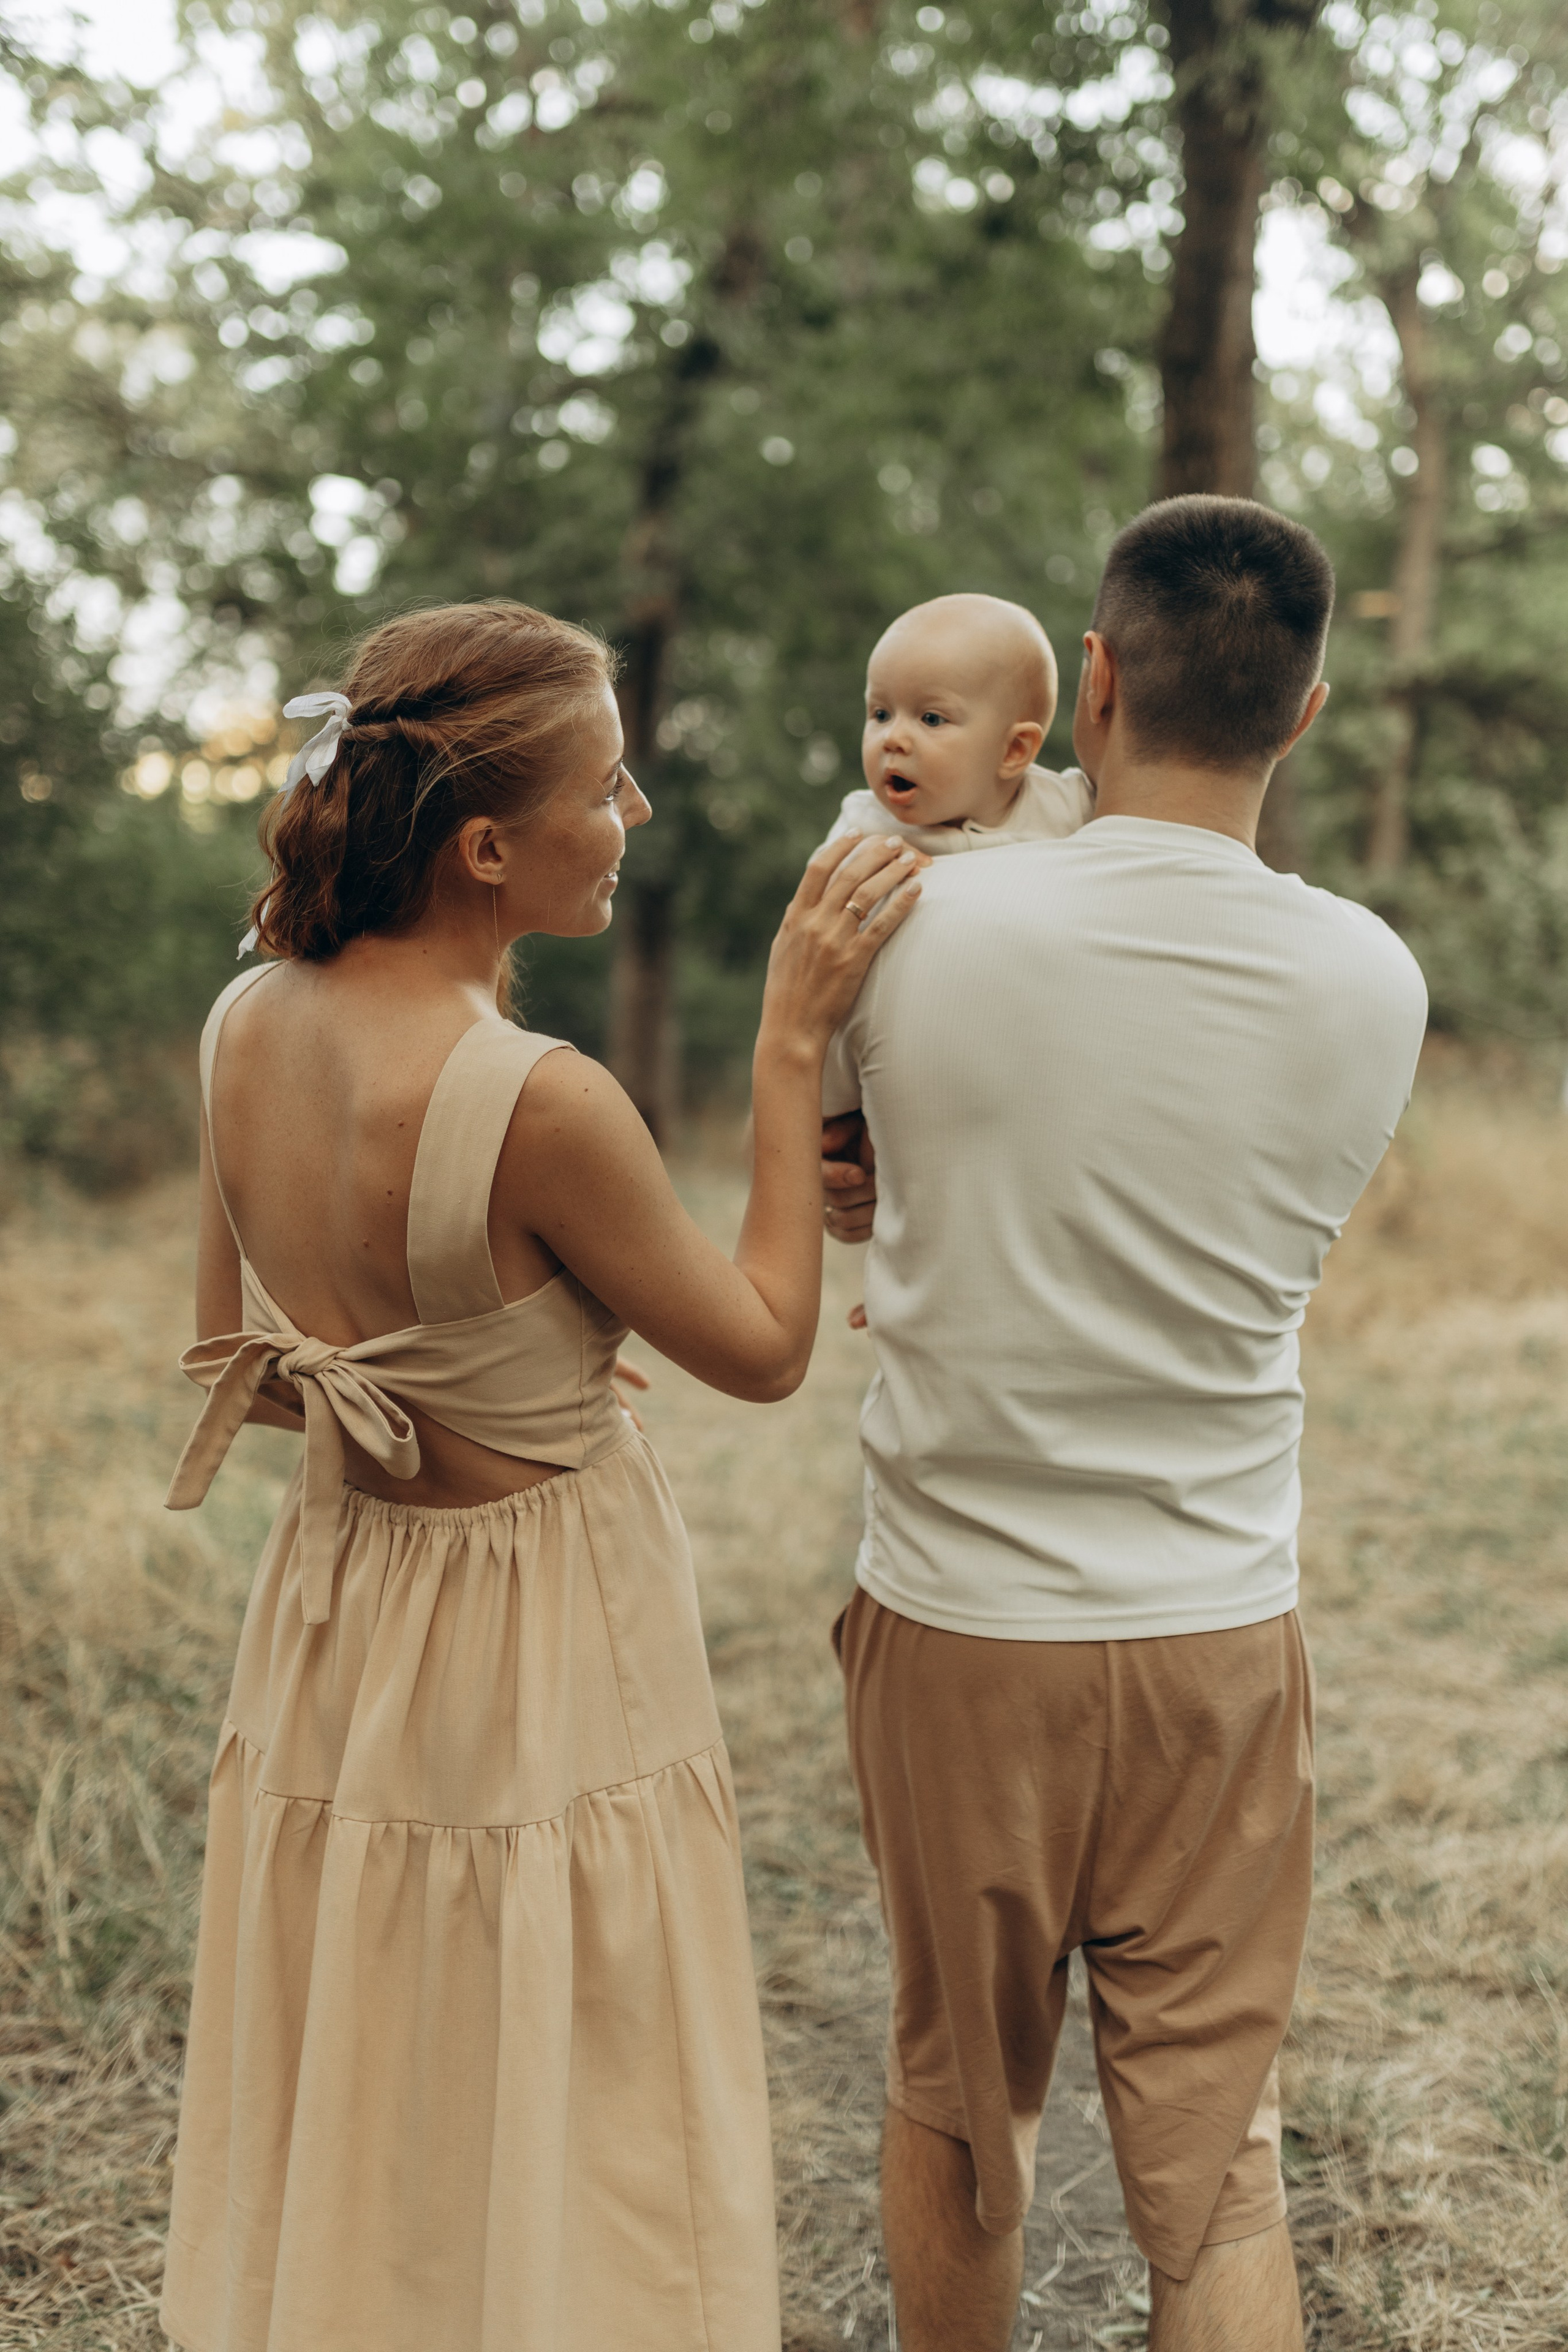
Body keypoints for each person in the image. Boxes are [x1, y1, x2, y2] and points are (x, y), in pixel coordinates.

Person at [157, 600, 923, 2352]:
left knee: (364, 1995)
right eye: (611, 781)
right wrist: (793, 1041)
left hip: (342, 1602)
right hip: (538, 1612)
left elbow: (241, 1368)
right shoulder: (539, 1099)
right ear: (491, 848)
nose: (637, 812)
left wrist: (457, 1374)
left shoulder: (241, 1024)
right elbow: (764, 1348)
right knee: (574, 2021)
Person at [818, 497, 1430, 2352]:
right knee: (1216, 2165)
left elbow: (858, 1173)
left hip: (957, 1623)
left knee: (956, 2104)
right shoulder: (1372, 982)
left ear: (1082, 686)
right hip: (1216, 1632)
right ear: (1304, 712)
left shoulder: (907, 919)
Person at [823, 590, 1093, 859]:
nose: (893, 739)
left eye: (931, 719)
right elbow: (819, 897)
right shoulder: (859, 826)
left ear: (1013, 750)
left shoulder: (1068, 809)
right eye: (881, 715)